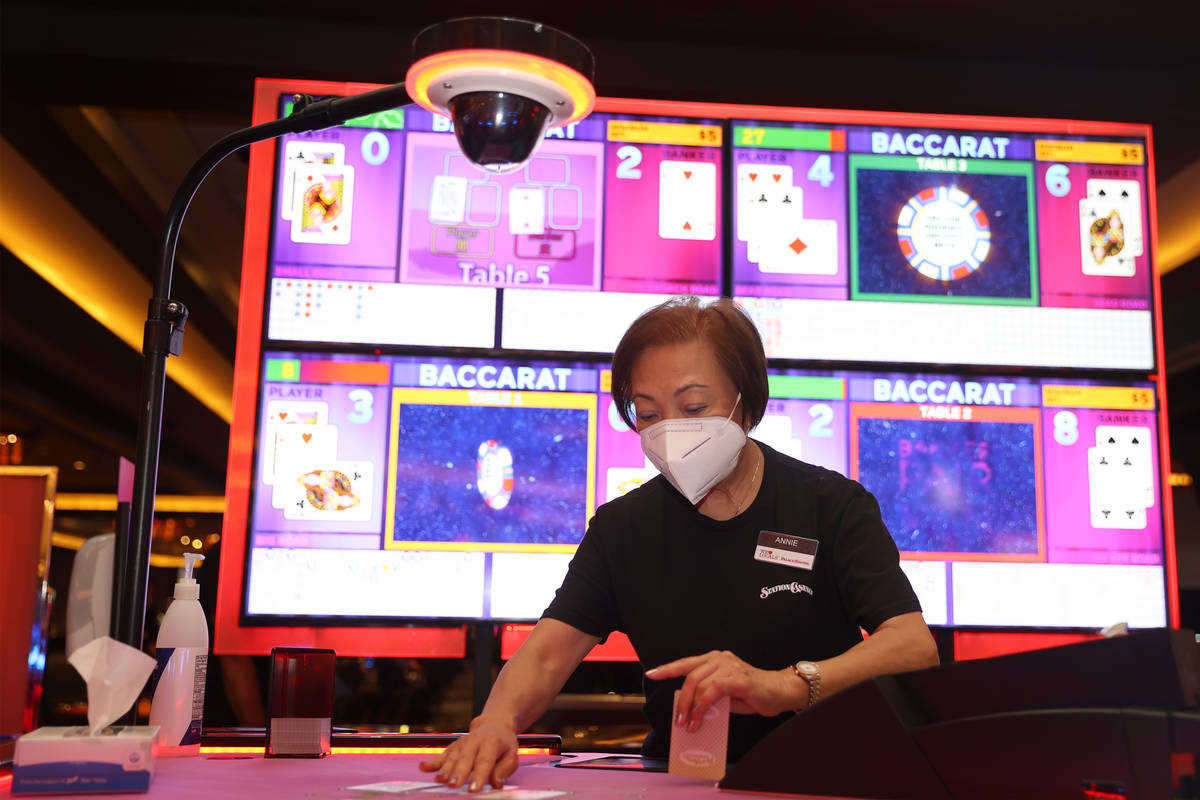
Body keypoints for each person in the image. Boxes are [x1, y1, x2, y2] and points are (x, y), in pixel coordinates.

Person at [420, 296, 939, 792]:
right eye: (647, 414)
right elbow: (545, 658)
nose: (670, 431)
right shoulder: (623, 530)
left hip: (827, 778)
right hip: (680, 783)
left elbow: (912, 647)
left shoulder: (831, 505)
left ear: (746, 402)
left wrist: (785, 685)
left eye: (693, 407)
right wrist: (495, 722)